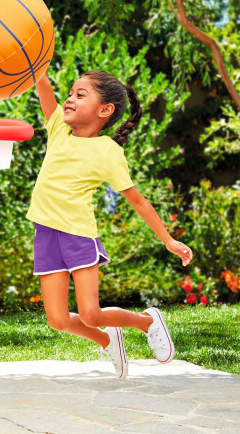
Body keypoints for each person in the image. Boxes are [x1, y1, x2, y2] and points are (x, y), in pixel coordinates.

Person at [26, 70, 193, 380]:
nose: (69, 98)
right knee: (58, 320)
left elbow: (138, 200)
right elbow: (42, 84)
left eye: (80, 94)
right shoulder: (58, 129)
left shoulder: (108, 152)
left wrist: (168, 240)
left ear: (105, 111)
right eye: (71, 93)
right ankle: (107, 340)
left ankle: (147, 322)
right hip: (45, 234)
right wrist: (36, 64)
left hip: (78, 237)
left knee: (91, 313)